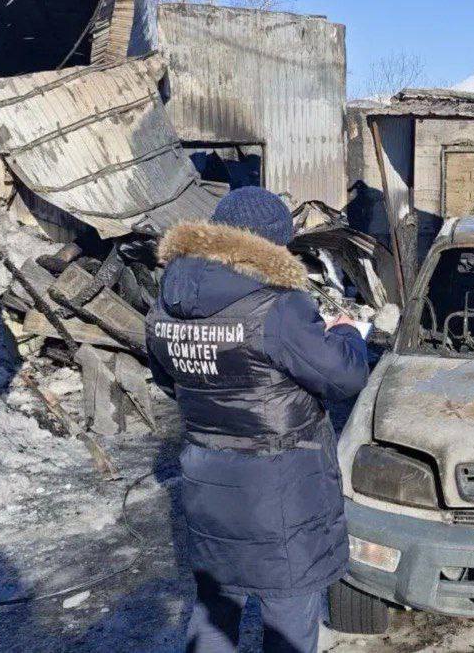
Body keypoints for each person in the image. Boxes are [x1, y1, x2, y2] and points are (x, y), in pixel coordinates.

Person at [145, 187, 369, 653]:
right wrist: (347, 333)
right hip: (280, 488)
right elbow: (344, 377)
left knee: (214, 608)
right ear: (271, 244)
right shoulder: (277, 307)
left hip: (207, 479)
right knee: (289, 613)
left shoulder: (164, 302)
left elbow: (171, 383)